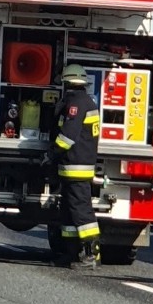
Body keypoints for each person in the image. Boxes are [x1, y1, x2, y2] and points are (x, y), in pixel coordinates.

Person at [52, 64, 101, 269]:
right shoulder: (86, 101)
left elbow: (67, 138)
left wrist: (51, 153)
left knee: (82, 213)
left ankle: (91, 255)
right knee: (70, 212)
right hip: (75, 167)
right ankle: (71, 253)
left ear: (67, 82)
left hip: (76, 167)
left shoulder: (76, 104)